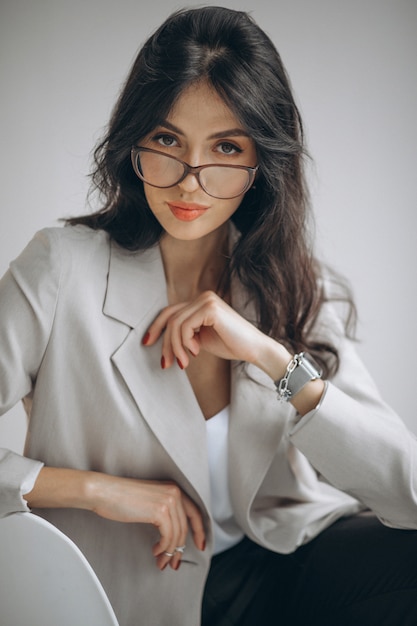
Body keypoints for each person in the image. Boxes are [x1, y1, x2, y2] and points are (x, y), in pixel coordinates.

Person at [0, 5, 416, 625]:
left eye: (225, 147)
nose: (189, 181)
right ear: (133, 140)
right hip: (133, 587)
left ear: (260, 166)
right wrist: (88, 489)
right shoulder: (61, 267)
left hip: (281, 567)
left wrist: (270, 357)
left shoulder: (293, 284)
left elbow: (406, 493)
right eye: (167, 140)